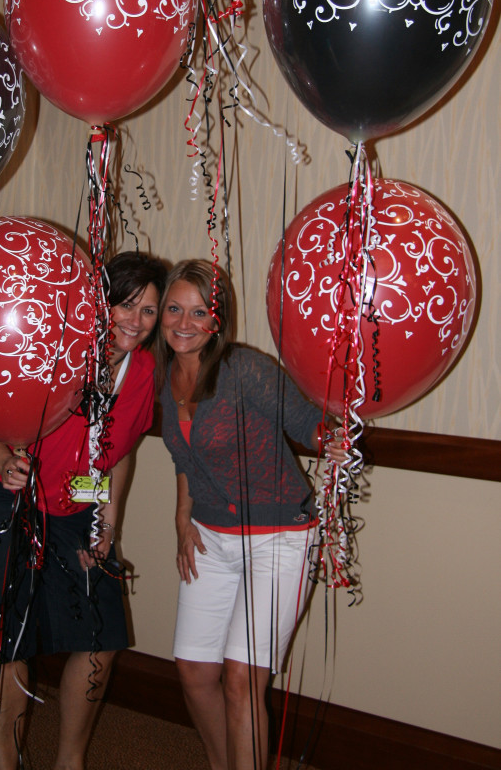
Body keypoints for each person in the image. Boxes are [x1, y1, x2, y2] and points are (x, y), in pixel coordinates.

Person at [0, 250, 167, 770]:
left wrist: (106, 525)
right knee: (10, 637)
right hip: (3, 491)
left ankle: (69, 762)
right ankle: (6, 760)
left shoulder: (143, 371)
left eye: (149, 311)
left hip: (75, 505)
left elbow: (120, 454)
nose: (135, 321)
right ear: (99, 303)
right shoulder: (55, 346)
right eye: (125, 304)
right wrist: (2, 458)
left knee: (100, 635)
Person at [155, 259, 344, 770]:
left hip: (279, 538)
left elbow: (308, 425)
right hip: (210, 538)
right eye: (175, 308)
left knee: (242, 679)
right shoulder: (164, 375)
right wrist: (181, 521)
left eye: (200, 312)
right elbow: (183, 458)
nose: (184, 322)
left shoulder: (246, 370)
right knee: (194, 671)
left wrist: (339, 436)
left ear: (219, 320)